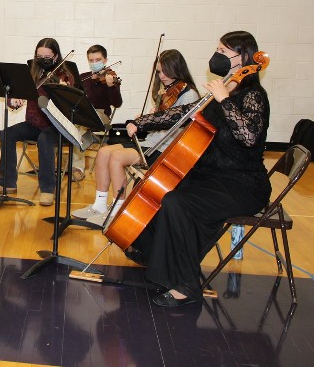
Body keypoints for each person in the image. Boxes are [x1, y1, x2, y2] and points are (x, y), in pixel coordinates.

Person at [121, 31, 270, 307]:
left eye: (224, 52)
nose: (217, 56)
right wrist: (143, 122)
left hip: (243, 184)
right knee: (162, 190)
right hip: (212, 177)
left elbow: (249, 137)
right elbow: (182, 112)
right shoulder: (222, 88)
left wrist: (225, 100)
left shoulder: (253, 96)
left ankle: (186, 286)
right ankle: (156, 259)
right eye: (218, 50)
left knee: (178, 202)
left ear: (245, 58)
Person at [72, 49, 200, 226]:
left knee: (116, 157)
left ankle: (118, 212)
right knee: (103, 152)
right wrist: (150, 117)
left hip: (166, 149)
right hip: (152, 143)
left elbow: (180, 127)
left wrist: (152, 120)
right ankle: (100, 205)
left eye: (165, 71)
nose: (161, 76)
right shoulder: (168, 90)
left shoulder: (189, 94)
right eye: (159, 72)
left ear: (177, 69)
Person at [0, 37, 76, 206]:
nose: (42, 60)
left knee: (44, 140)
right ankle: (7, 182)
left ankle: (48, 188)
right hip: (34, 123)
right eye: (39, 56)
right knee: (7, 134)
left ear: (56, 57)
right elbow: (13, 99)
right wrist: (14, 99)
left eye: (47, 57)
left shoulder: (64, 76)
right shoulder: (32, 73)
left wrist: (62, 90)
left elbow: (68, 106)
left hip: (55, 126)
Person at [70, 44, 123, 181]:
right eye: (91, 60)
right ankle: (86, 140)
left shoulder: (110, 78)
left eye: (97, 60)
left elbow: (117, 103)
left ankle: (78, 167)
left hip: (101, 115)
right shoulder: (83, 77)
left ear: (105, 60)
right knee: (70, 122)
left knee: (79, 123)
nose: (94, 63)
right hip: (83, 114)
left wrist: (111, 87)